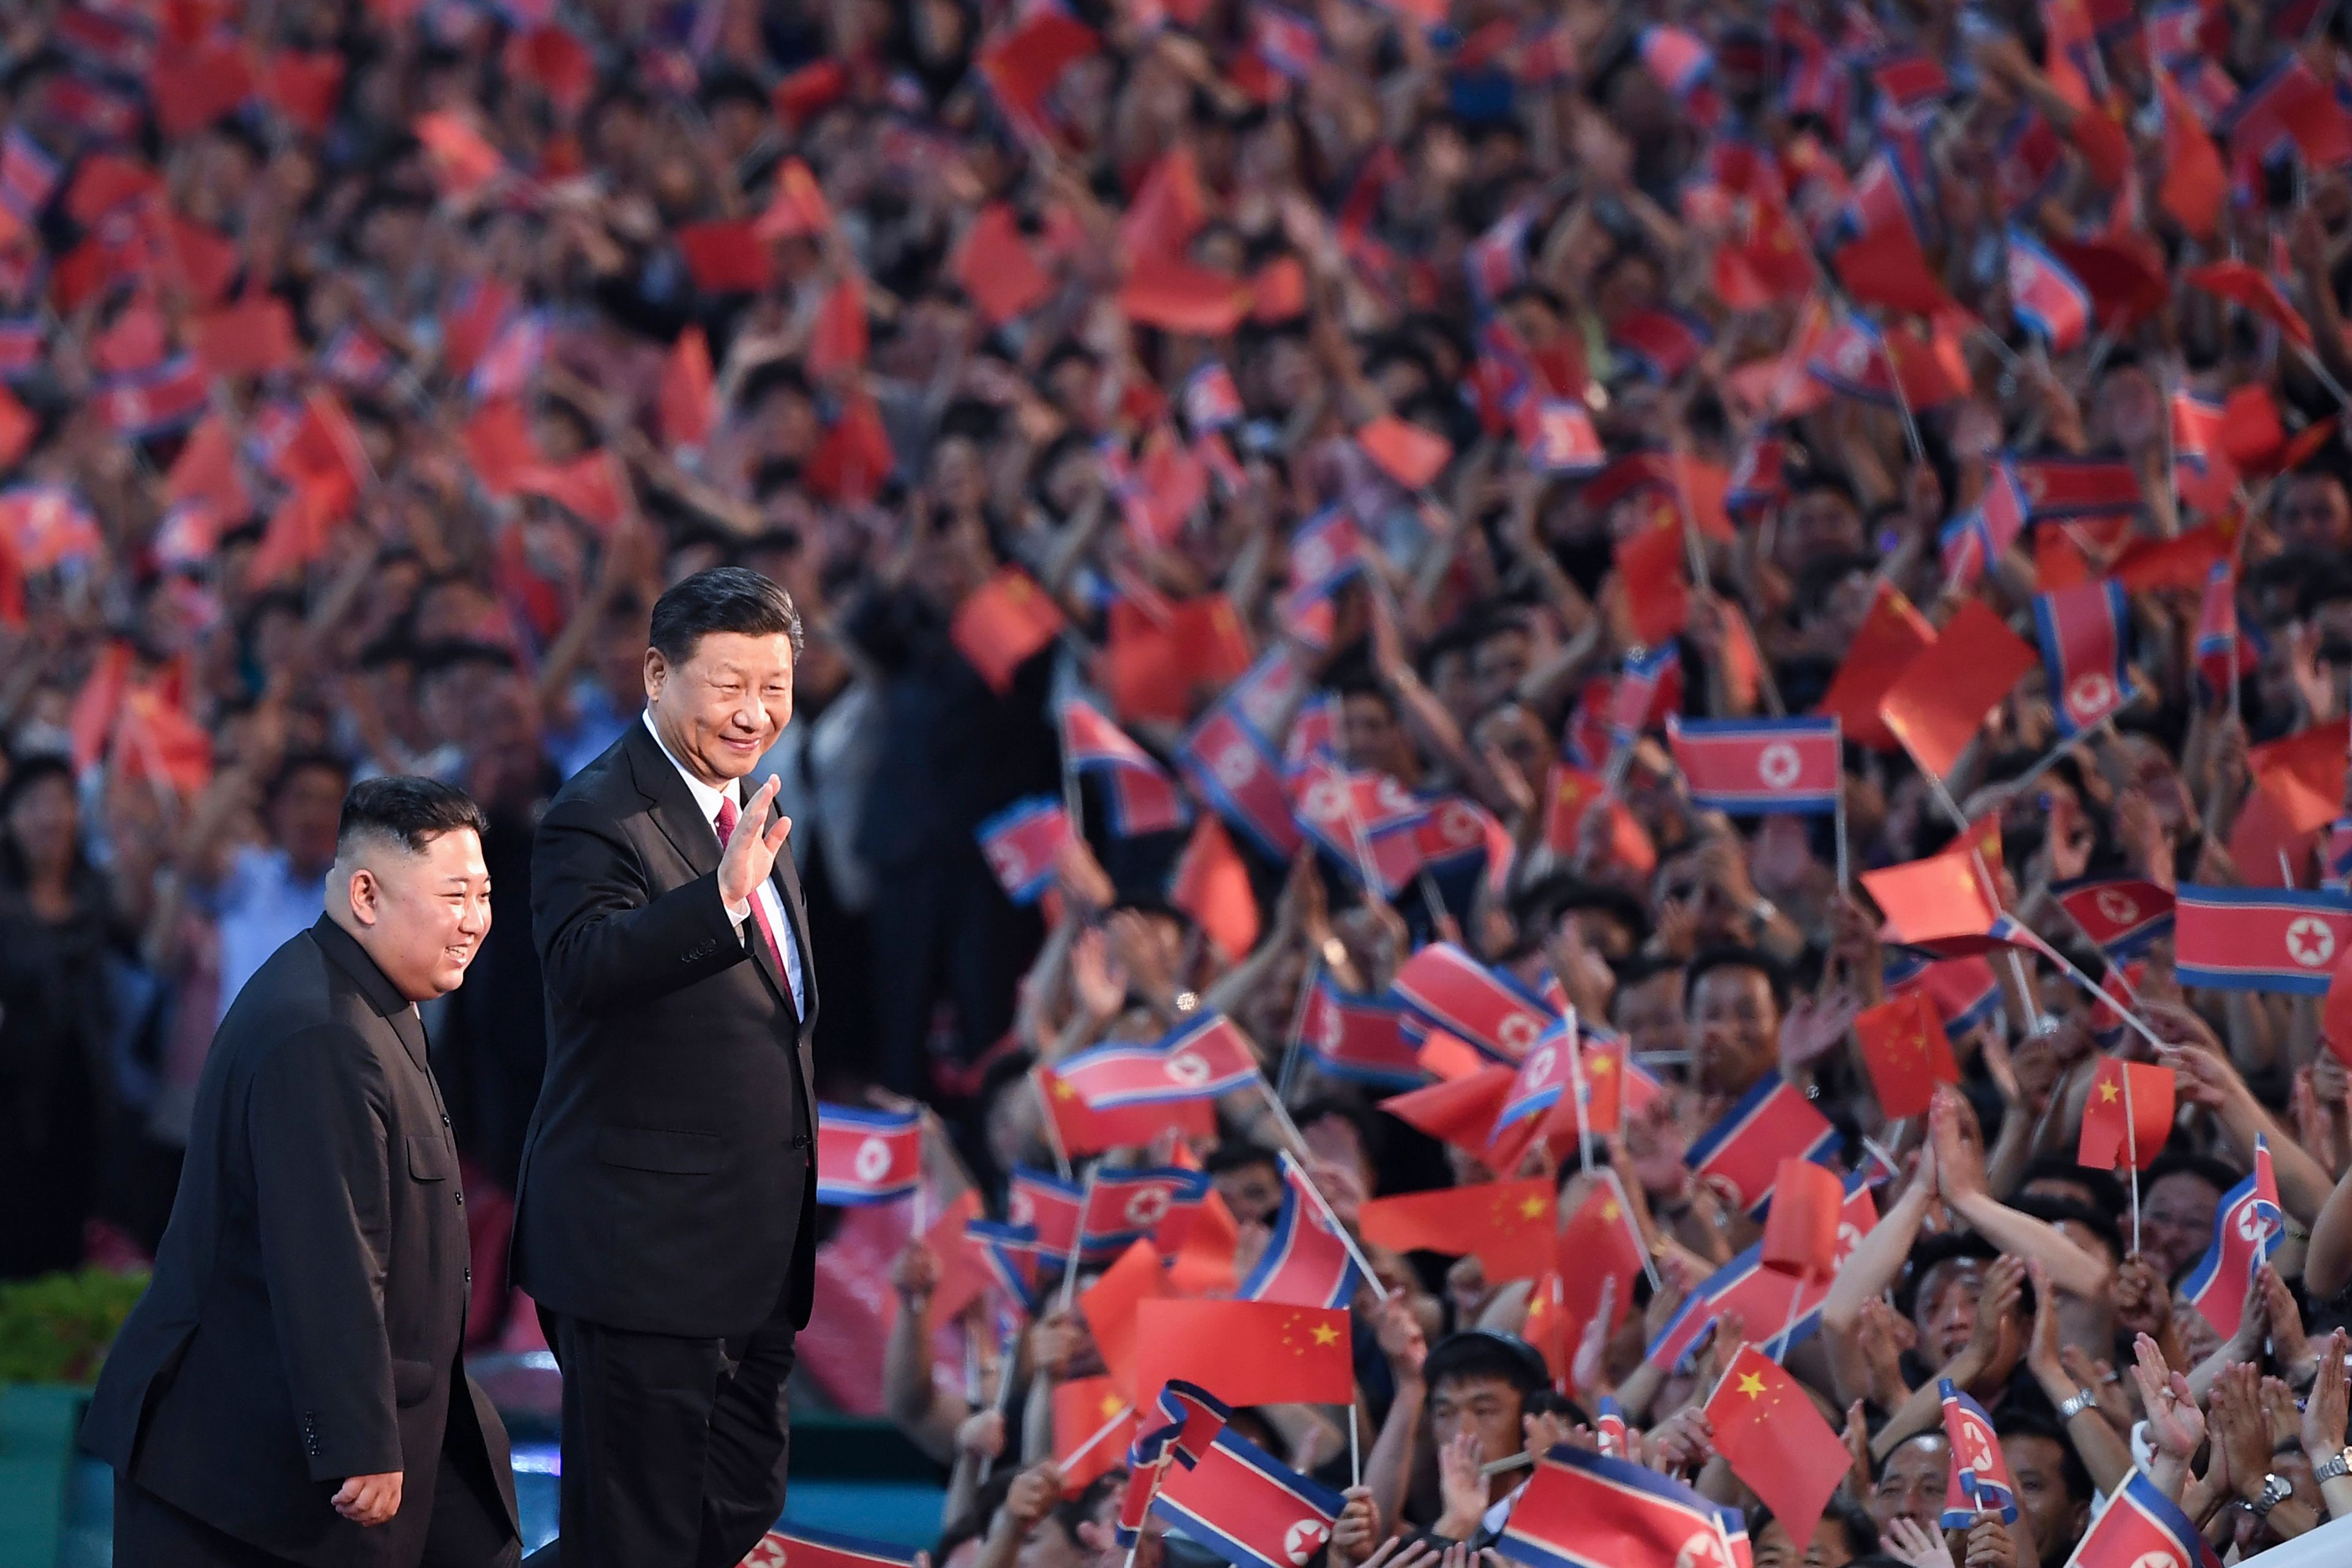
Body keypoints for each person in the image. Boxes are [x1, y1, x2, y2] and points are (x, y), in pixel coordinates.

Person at [81, 776, 518, 1567]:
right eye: (456, 897)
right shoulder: (323, 1032)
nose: (475, 922)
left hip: (360, 1443)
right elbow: (328, 1252)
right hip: (244, 1479)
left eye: (484, 895)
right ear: (366, 893)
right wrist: (355, 1437)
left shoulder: (365, 994)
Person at [514, 566, 818, 1567]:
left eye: (773, 687)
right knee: (637, 1536)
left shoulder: (749, 810)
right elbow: (584, 967)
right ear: (656, 673)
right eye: (729, 684)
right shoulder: (596, 812)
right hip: (638, 1257)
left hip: (747, 1260)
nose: (754, 712)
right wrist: (717, 906)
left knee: (730, 1505)